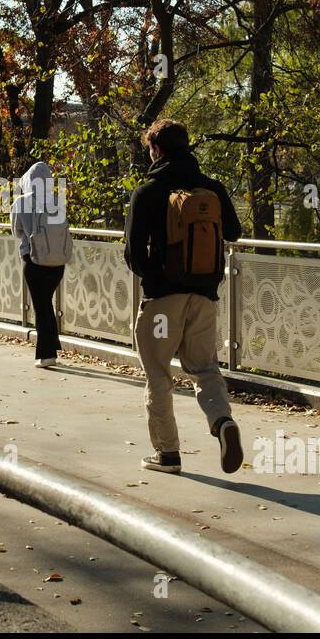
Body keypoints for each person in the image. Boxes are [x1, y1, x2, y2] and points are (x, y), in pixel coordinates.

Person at [123, 119, 244, 476]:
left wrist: (156, 278)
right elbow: (234, 233)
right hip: (204, 298)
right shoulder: (212, 188)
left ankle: (168, 454)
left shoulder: (148, 191)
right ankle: (222, 421)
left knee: (158, 373)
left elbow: (133, 254)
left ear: (156, 149)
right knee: (205, 369)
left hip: (162, 303)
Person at [11, 161, 71, 368]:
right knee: (47, 303)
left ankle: (46, 355)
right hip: (58, 261)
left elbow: (17, 231)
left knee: (41, 305)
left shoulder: (21, 202)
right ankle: (52, 349)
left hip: (33, 259)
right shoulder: (57, 201)